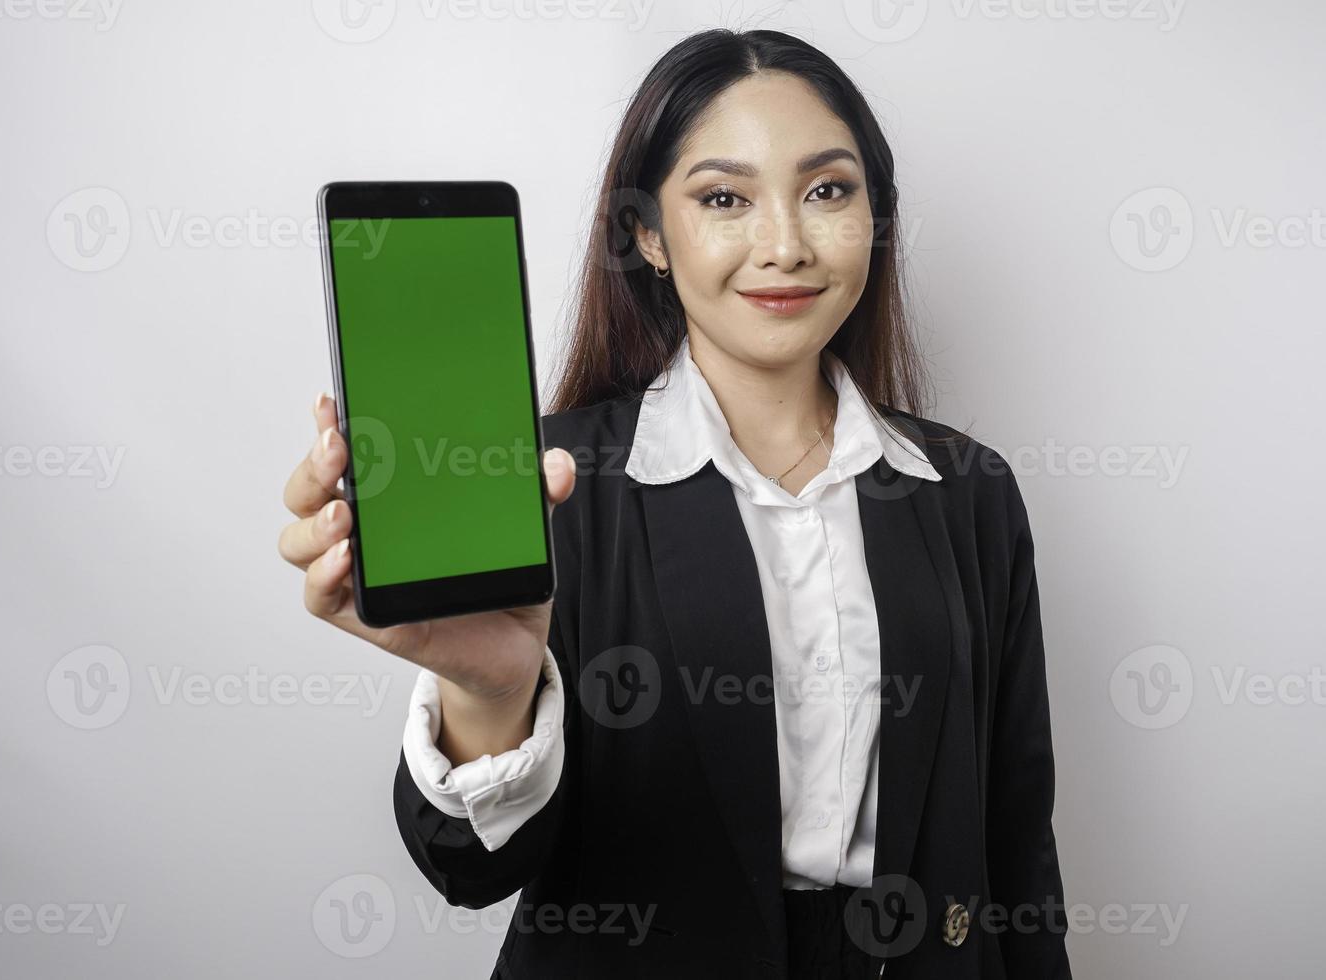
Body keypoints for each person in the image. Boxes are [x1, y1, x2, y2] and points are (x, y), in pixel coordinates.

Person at [279, 28, 1071, 980]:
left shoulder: (967, 492)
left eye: (827, 190)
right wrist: (489, 695)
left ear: (876, 217)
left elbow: (1018, 846)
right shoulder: (552, 483)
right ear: (649, 233)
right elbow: (466, 868)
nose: (784, 244)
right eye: (723, 198)